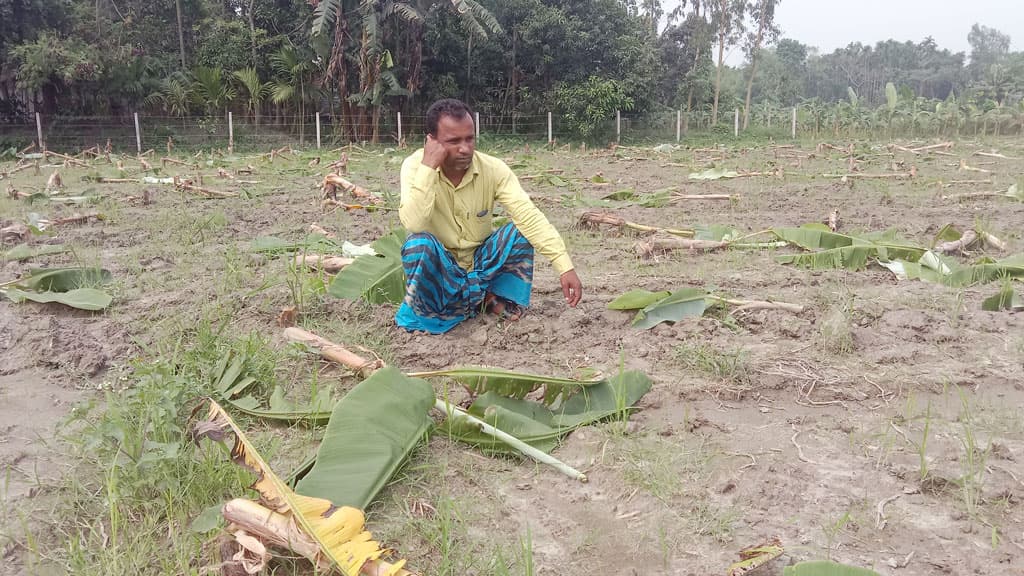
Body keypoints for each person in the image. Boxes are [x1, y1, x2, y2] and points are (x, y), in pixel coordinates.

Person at [395, 98, 583, 334]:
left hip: (481, 265)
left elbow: (528, 215)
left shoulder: (493, 169)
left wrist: (564, 266)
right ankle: (458, 306)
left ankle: (483, 296)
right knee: (418, 245)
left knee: (520, 231)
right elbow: (414, 223)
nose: (465, 148)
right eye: (453, 141)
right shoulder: (415, 168)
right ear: (431, 141)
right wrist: (429, 166)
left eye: (469, 138)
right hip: (442, 269)